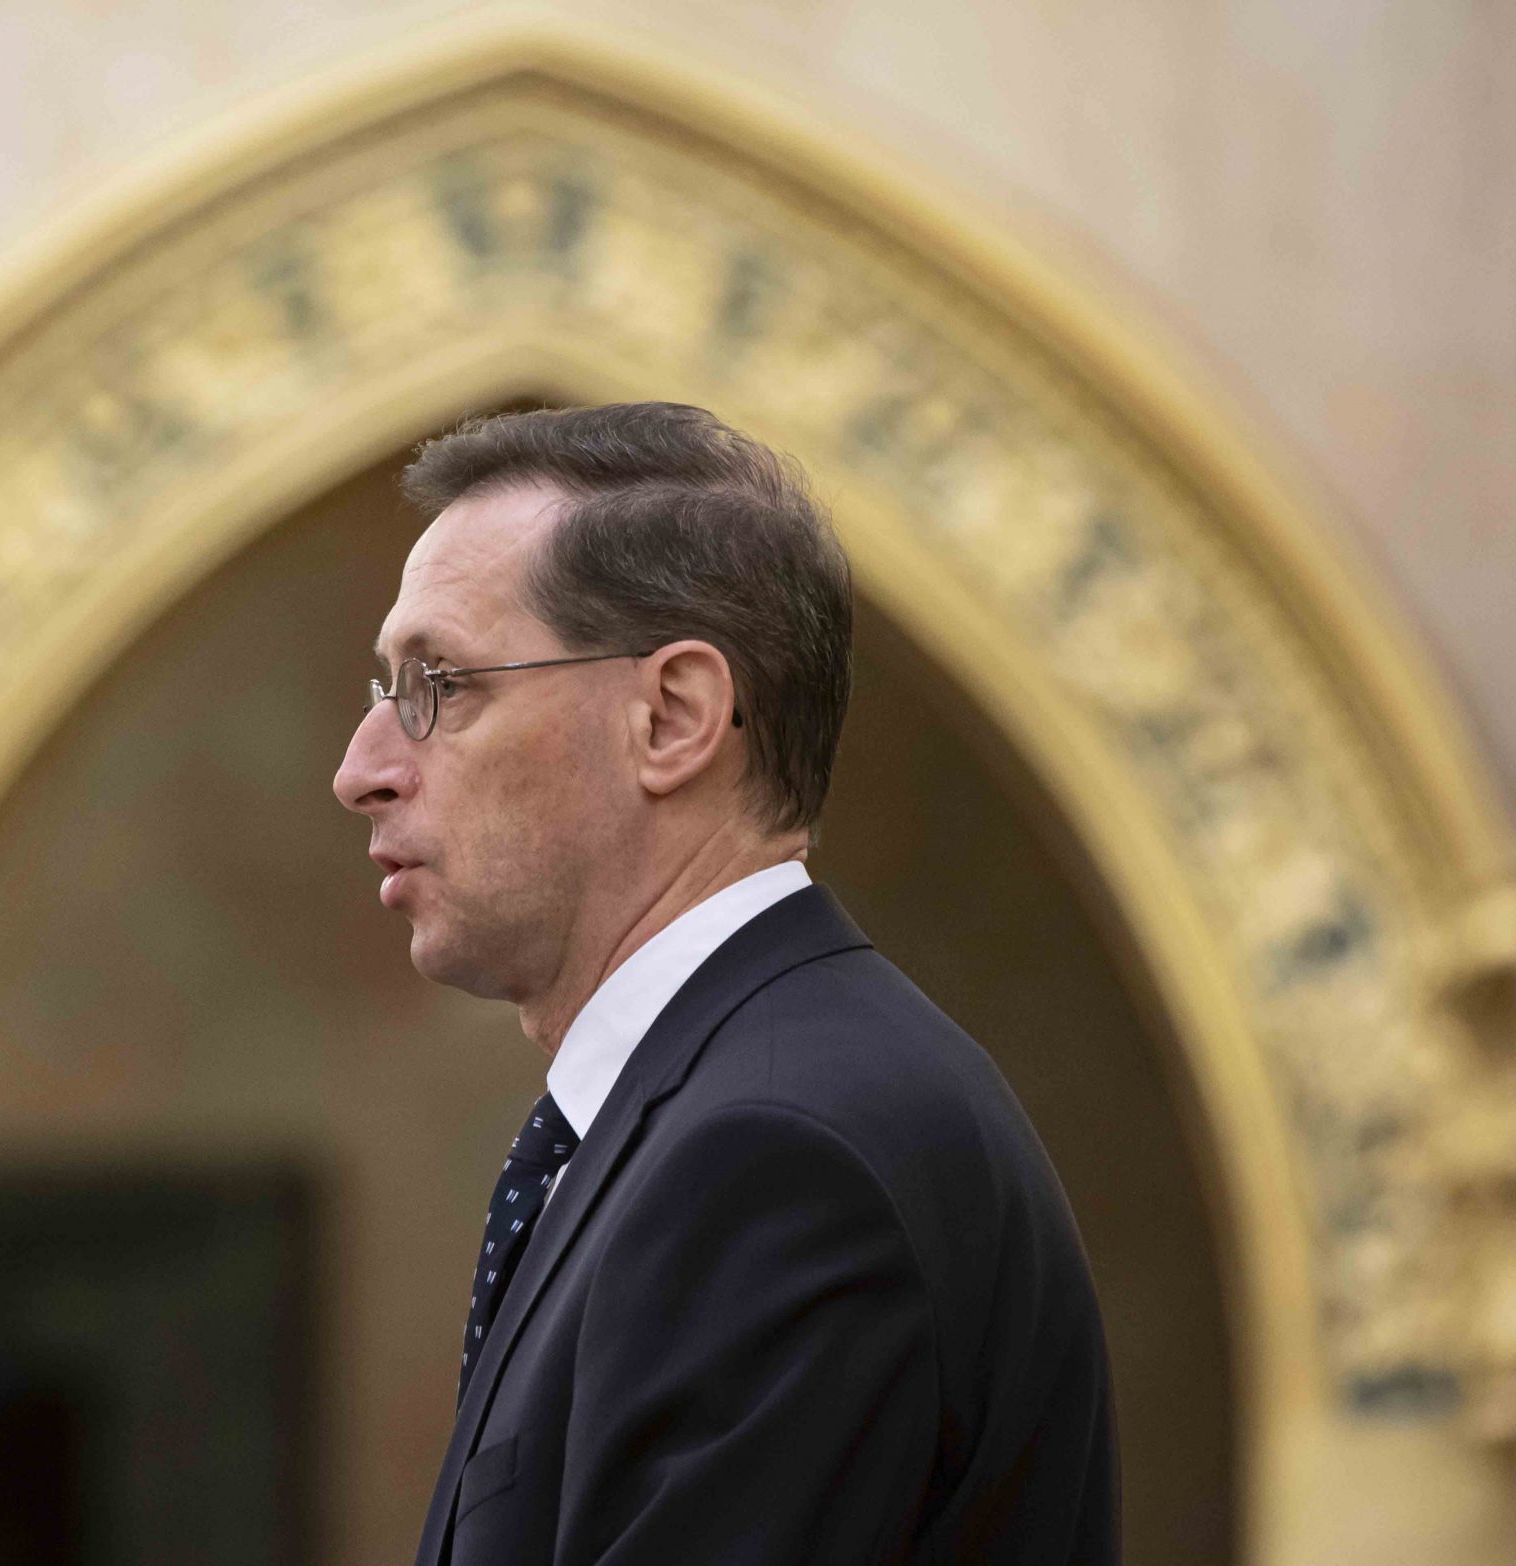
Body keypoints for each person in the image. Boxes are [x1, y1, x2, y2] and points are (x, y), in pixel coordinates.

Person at [332, 402, 1119, 1565]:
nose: (362, 770)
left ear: (671, 718)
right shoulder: (731, 1108)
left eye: (437, 684)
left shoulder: (772, 1156)